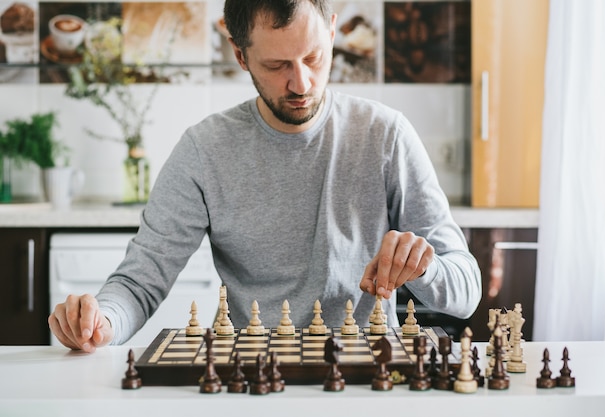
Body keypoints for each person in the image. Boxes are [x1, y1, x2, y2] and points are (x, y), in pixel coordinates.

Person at [49, 0, 481, 353]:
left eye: (314, 56)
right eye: (277, 65)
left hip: (366, 376)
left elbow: (466, 293)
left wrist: (424, 269)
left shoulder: (386, 135)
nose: (301, 83)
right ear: (240, 55)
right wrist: (100, 322)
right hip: (254, 379)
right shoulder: (204, 150)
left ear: (332, 32)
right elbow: (140, 281)